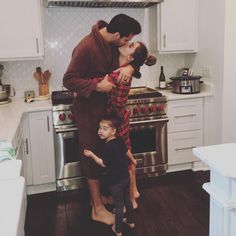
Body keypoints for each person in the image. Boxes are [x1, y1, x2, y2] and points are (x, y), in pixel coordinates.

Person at [63, 14, 141, 225]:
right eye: (126, 40)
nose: (126, 43)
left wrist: (131, 67)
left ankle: (97, 199)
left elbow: (143, 55)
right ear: (117, 35)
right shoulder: (87, 46)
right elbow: (68, 79)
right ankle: (97, 209)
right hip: (88, 111)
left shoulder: (111, 43)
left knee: (103, 154)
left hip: (104, 112)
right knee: (91, 156)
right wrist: (96, 86)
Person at [104, 42, 157, 209]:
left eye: (131, 45)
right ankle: (133, 193)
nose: (127, 43)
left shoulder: (121, 73)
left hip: (117, 121)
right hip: (122, 119)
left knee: (121, 160)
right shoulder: (125, 68)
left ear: (131, 57)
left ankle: (129, 200)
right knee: (127, 156)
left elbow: (116, 102)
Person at [84, 114, 135, 236]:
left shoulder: (107, 147)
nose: (100, 131)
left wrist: (91, 155)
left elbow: (103, 164)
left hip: (116, 182)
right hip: (126, 177)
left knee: (118, 206)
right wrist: (133, 160)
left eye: (105, 129)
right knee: (128, 200)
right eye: (100, 128)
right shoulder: (119, 140)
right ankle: (131, 221)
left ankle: (117, 229)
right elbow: (126, 150)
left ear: (113, 131)